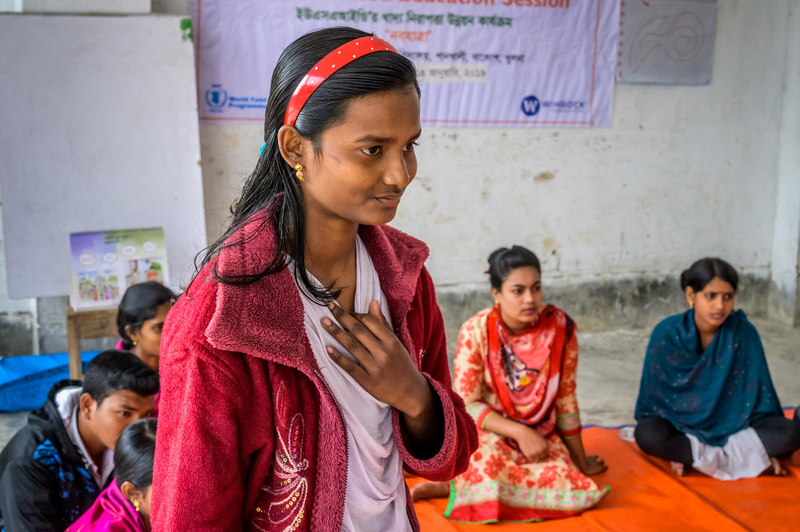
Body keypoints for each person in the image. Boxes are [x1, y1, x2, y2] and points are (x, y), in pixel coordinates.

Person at [152, 27, 478, 531]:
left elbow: (452, 458)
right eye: (372, 149)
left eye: (409, 146)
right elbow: (190, 517)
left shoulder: (406, 279)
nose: (400, 174)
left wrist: (413, 394)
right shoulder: (220, 325)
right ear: (294, 148)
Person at [413, 246, 608, 523]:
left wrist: (581, 461)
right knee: (484, 461)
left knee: (568, 482)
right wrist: (518, 433)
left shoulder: (560, 329)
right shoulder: (476, 331)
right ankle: (454, 483)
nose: (530, 298)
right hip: (489, 432)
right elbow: (467, 403)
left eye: (536, 288)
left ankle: (461, 485)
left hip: (541, 433)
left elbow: (565, 399)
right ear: (497, 294)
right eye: (518, 290)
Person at [635, 257, 800, 479]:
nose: (720, 306)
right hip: (680, 425)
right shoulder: (666, 333)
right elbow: (655, 403)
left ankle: (692, 456)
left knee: (791, 434)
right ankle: (749, 456)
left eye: (728, 297)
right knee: (648, 434)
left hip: (738, 422)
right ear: (691, 295)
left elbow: (759, 399)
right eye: (710, 296)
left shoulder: (743, 332)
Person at [0, 351, 158, 531]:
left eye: (146, 414)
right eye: (125, 414)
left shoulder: (125, 443)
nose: (136, 426)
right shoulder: (31, 461)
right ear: (87, 405)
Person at [67, 418, 158, 532]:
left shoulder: (132, 480)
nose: (183, 497)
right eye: (166, 492)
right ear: (132, 492)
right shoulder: (109, 528)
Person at [116, 281, 175, 371]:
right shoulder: (119, 379)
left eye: (175, 324)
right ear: (133, 333)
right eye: (160, 327)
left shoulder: (182, 368)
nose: (173, 333)